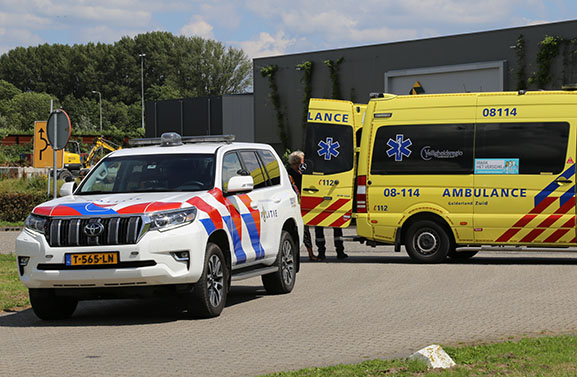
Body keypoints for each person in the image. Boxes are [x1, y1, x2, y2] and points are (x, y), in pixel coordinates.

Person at [287, 151, 318, 261]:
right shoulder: (291, 175)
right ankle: (310, 254)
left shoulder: (300, 173)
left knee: (304, 230)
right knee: (303, 231)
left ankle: (309, 254)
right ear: (298, 162)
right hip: (296, 205)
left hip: (303, 204)